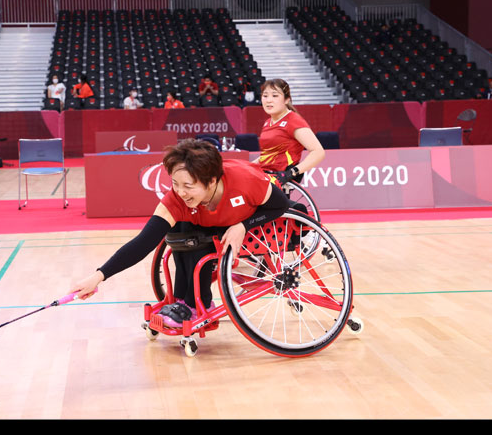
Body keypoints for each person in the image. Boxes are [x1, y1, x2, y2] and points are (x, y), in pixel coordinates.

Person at [68, 138, 290, 327]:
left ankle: (198, 303)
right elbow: (144, 242)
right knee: (180, 231)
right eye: (175, 183)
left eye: (188, 186)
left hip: (253, 218)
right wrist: (98, 276)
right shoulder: (176, 199)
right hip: (213, 225)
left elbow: (280, 206)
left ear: (211, 181)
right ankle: (185, 301)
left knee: (198, 237)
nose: (180, 192)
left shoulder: (244, 181)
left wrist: (243, 225)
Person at [255, 79, 325, 186]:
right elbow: (267, 156)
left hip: (277, 178)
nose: (269, 100)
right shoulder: (268, 123)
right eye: (265, 96)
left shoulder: (293, 121)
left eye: (275, 96)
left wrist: (292, 172)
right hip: (263, 174)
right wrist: (247, 166)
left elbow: (318, 152)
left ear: (287, 99)